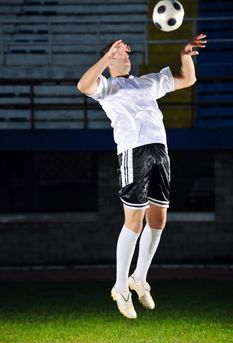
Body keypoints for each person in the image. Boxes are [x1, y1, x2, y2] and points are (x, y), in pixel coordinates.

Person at [77, 34, 207, 319]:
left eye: (126, 51)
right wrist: (107, 56)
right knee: (134, 221)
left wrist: (185, 54)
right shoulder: (106, 87)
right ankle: (120, 287)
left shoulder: (147, 81)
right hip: (132, 152)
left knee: (158, 220)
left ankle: (139, 277)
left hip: (160, 150)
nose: (127, 54)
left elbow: (188, 79)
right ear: (110, 58)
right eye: (120, 52)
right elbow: (83, 85)